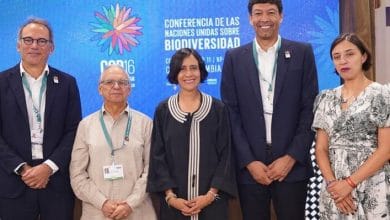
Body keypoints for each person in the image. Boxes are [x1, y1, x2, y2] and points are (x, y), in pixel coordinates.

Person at [220, 0, 319, 219]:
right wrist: (249, 161)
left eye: (271, 13)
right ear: (250, 19)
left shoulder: (302, 52)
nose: (264, 19)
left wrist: (291, 157)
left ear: (281, 16)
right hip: (250, 167)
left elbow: (309, 109)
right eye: (258, 13)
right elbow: (231, 114)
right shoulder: (234, 58)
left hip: (291, 166)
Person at [0, 17, 82, 220]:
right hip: (13, 183)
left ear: (51, 47)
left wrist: (49, 167)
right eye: (28, 40)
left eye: (41, 41)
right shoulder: (1, 82)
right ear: (18, 45)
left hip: (55, 183)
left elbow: (74, 130)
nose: (34, 46)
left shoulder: (67, 83)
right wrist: (21, 168)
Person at [147, 48, 237, 220]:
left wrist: (210, 195)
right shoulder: (163, 111)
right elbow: (158, 157)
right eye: (182, 68)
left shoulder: (218, 109)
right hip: (174, 206)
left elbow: (226, 156)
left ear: (201, 71)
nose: (189, 73)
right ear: (175, 73)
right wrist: (171, 197)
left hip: (212, 204)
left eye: (193, 68)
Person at [312, 33, 390, 219]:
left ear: (363, 57)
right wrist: (334, 186)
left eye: (350, 54)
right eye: (337, 57)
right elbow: (321, 148)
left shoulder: (382, 95)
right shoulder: (325, 97)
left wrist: (349, 183)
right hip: (334, 190)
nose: (343, 61)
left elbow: (386, 150)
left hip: (371, 184)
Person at [70, 65, 157, 220]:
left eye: (123, 82)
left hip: (137, 212)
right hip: (97, 213)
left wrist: (130, 204)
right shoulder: (86, 125)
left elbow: (151, 171)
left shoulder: (145, 123)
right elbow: (77, 175)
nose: (116, 86)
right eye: (109, 82)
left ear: (129, 89)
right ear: (100, 89)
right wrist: (102, 203)